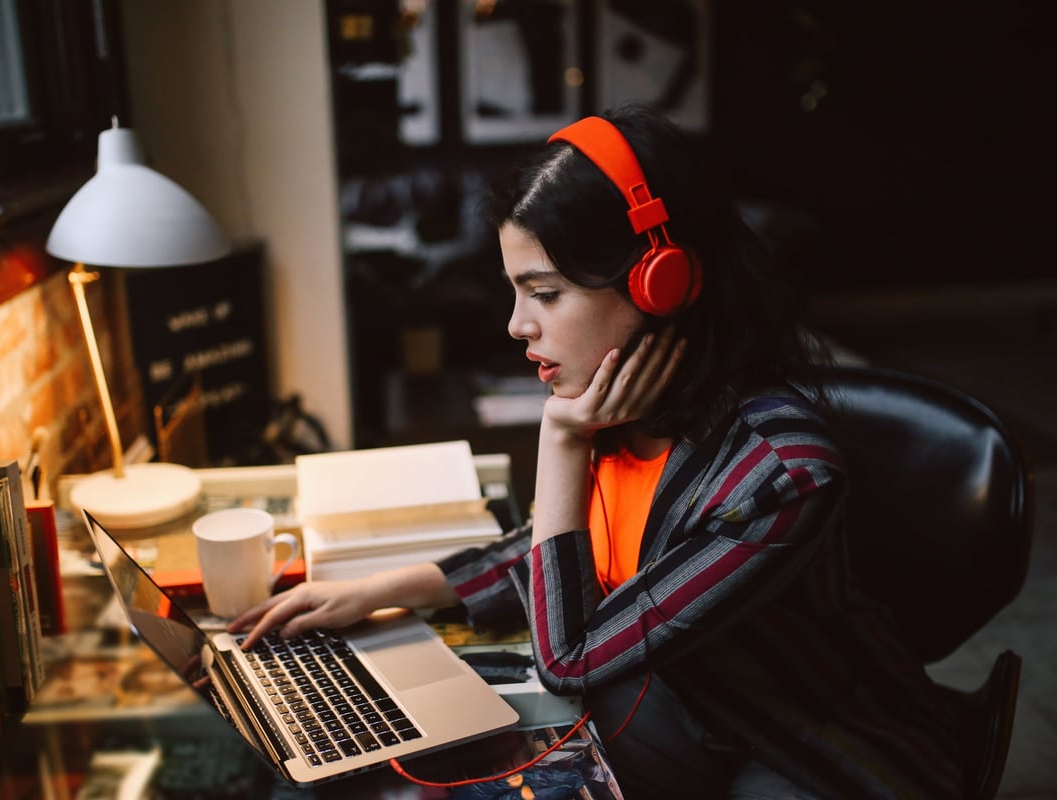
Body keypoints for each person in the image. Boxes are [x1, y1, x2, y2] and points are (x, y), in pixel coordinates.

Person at [228, 102, 964, 799]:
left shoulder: (779, 475)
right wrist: (372, 593)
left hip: (804, 748)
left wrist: (559, 439)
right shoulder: (631, 409)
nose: (518, 326)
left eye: (544, 294)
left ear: (661, 283)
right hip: (687, 706)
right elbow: (562, 547)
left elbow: (570, 655)